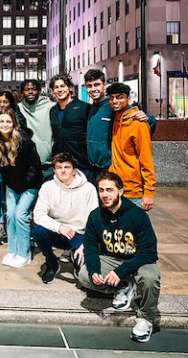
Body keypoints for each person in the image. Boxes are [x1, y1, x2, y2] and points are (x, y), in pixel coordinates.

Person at [79, 172, 161, 343]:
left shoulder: (137, 215)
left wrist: (120, 271)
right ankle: (125, 286)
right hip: (113, 260)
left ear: (121, 191)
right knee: (85, 275)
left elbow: (149, 252)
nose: (105, 195)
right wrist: (94, 269)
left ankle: (145, 318)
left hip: (139, 261)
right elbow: (91, 247)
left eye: (109, 190)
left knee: (150, 278)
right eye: (101, 190)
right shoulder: (95, 216)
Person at [33, 152, 98, 284]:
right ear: (54, 170)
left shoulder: (88, 188)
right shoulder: (48, 187)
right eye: (59, 167)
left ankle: (78, 261)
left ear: (74, 170)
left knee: (86, 275)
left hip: (79, 234)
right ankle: (52, 263)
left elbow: (95, 219)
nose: (63, 171)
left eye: (67, 167)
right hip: (58, 231)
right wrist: (59, 227)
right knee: (38, 231)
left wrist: (86, 244)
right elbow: (38, 215)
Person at [0, 110, 43, 268]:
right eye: (1, 122)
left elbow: (35, 166)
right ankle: (12, 250)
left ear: (14, 123)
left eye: (8, 121)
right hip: (12, 186)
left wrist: (25, 184)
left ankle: (24, 253)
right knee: (11, 216)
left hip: (29, 185)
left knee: (21, 216)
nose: (5, 125)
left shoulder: (24, 141)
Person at [84, 69, 156, 179]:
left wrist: (148, 119)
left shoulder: (114, 105)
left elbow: (134, 115)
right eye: (89, 86)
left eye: (96, 84)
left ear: (104, 85)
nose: (93, 89)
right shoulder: (90, 108)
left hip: (109, 168)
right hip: (92, 168)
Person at [106, 83, 156, 211]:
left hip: (133, 193)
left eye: (119, 97)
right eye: (112, 98)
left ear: (128, 99)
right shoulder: (115, 119)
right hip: (115, 189)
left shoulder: (138, 124)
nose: (115, 101)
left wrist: (149, 192)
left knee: (133, 230)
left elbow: (146, 160)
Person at [49, 73, 92, 180]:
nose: (59, 90)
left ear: (70, 88)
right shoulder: (53, 111)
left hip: (81, 163)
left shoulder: (84, 108)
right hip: (61, 164)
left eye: (62, 86)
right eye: (56, 87)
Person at [17, 80, 56, 178]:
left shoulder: (51, 107)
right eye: (27, 89)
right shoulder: (18, 109)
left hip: (47, 165)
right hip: (26, 165)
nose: (30, 92)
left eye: (34, 89)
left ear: (39, 91)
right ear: (22, 92)